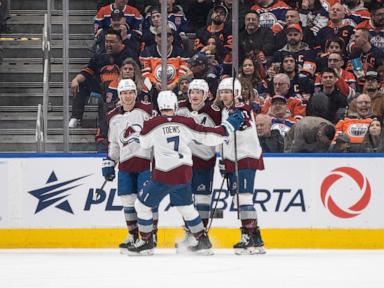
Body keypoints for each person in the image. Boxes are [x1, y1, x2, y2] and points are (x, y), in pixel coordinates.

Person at [126, 90, 244, 255]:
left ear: (159, 106)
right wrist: (229, 125)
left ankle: (145, 242)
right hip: (185, 172)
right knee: (186, 208)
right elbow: (209, 136)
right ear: (175, 105)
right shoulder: (186, 121)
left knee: (141, 205)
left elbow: (145, 144)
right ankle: (203, 241)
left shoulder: (152, 123)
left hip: (164, 173)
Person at [101, 79, 158, 253]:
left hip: (145, 162)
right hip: (125, 164)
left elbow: (157, 135)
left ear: (136, 93)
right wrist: (111, 160)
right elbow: (114, 143)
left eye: (130, 92)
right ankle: (133, 235)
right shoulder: (112, 116)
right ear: (119, 95)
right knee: (127, 200)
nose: (127, 96)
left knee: (146, 201)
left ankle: (151, 236)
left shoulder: (147, 110)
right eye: (124, 93)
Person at [215, 78, 266, 255]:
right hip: (233, 159)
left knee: (244, 198)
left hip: (245, 157)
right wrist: (223, 159)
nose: (223, 95)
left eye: (227, 92)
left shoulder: (242, 109)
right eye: (221, 92)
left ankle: (249, 237)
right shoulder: (226, 110)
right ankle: (256, 238)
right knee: (238, 199)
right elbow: (226, 139)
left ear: (235, 93)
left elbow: (238, 123)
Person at [176, 79, 222, 250]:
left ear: (206, 95)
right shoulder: (180, 108)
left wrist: (223, 155)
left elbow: (223, 134)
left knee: (202, 198)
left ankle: (201, 235)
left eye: (198, 92)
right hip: (183, 162)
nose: (194, 95)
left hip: (205, 161)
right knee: (186, 200)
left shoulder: (214, 112)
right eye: (192, 92)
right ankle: (190, 234)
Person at [69, 29, 138, 128]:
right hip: (101, 86)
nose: (108, 45)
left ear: (120, 42)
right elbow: (88, 70)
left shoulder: (130, 54)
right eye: (106, 41)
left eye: (112, 42)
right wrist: (75, 79)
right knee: (80, 84)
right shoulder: (100, 53)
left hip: (120, 88)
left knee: (104, 99)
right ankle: (76, 118)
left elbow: (136, 73)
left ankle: (104, 127)